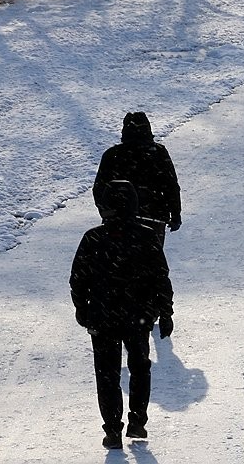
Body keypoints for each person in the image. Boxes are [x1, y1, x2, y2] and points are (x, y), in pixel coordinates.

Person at [71, 180, 174, 450]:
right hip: (137, 315)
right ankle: (137, 420)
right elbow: (160, 278)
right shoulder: (146, 236)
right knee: (140, 368)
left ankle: (113, 430)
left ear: (105, 207)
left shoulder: (93, 238)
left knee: (107, 375)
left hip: (102, 316)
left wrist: (83, 309)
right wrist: (165, 312)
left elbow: (78, 279)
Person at [93, 112, 181, 247]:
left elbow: (99, 188)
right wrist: (175, 215)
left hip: (118, 218)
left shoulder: (112, 155)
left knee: (117, 258)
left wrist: (107, 212)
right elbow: (171, 186)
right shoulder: (158, 152)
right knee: (150, 260)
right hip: (153, 216)